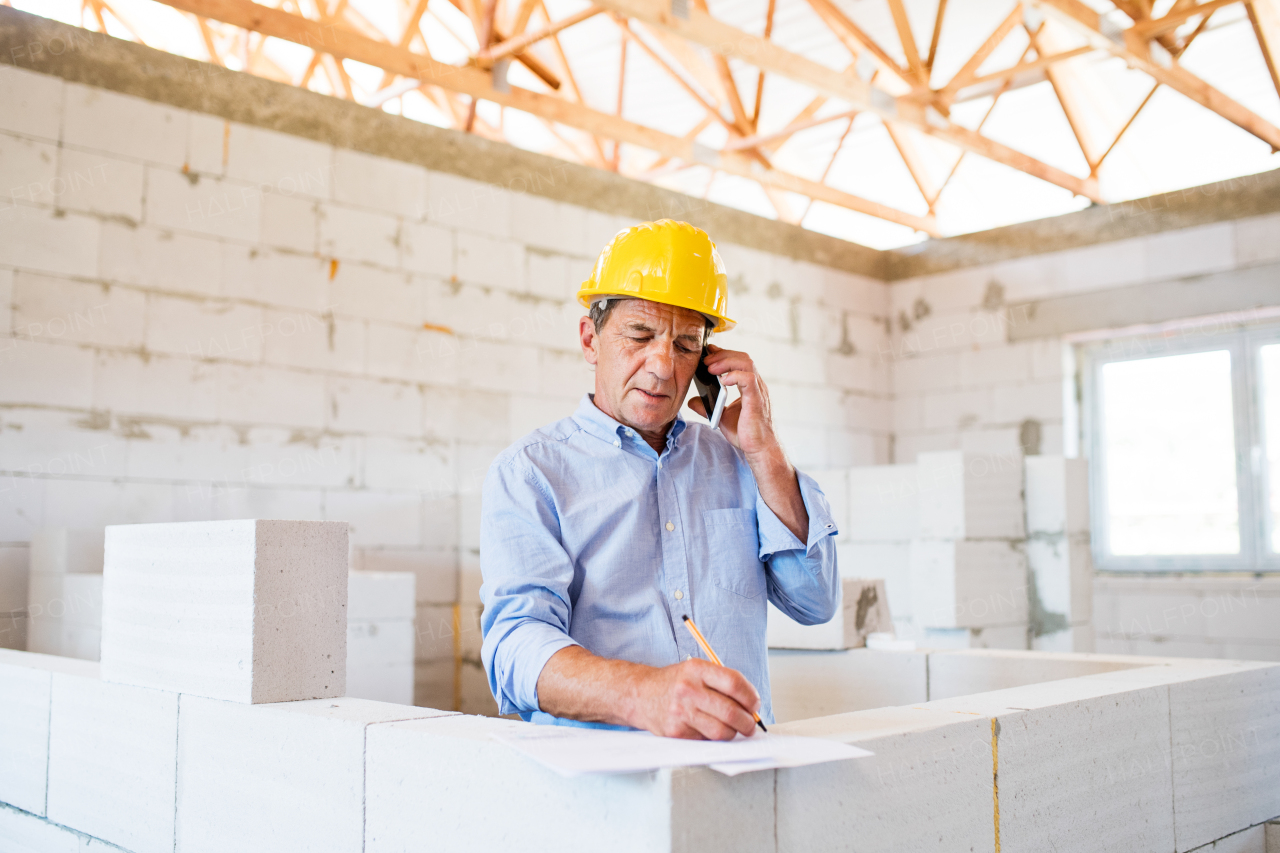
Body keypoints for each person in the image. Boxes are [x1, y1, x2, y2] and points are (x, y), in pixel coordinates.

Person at [479, 219, 840, 741]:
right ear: (590, 339)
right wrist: (642, 694)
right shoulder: (531, 474)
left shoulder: (741, 460)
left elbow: (815, 602)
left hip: (739, 773)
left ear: (707, 362)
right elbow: (514, 647)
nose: (663, 366)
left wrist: (765, 453)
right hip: (604, 785)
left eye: (686, 344)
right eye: (641, 336)